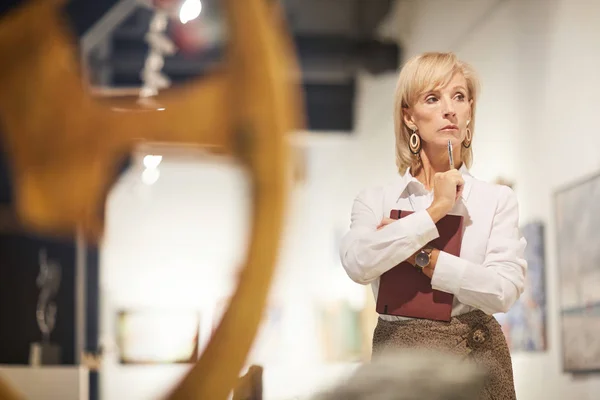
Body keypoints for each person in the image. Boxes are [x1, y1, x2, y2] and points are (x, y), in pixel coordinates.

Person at [339, 52, 527, 400]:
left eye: (459, 96)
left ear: (470, 111)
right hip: (398, 367)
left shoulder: (495, 200)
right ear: (409, 117)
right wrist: (436, 210)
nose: (449, 109)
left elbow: (504, 290)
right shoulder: (377, 200)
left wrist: (423, 256)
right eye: (432, 98)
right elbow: (358, 264)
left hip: (476, 367)